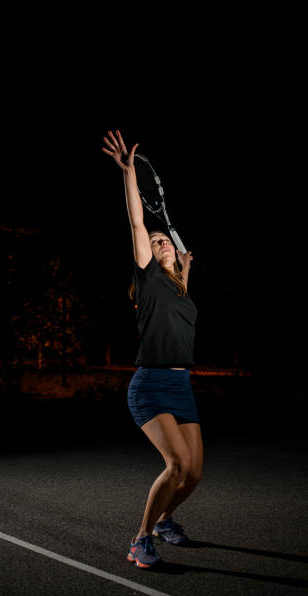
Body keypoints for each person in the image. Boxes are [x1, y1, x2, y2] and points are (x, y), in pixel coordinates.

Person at [102, 130, 203, 569]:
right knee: (176, 464)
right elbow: (138, 223)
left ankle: (165, 521)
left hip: (182, 386)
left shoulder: (181, 290)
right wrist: (129, 175)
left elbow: (182, 291)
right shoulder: (149, 278)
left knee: (193, 475)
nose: (161, 242)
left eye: (166, 240)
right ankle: (140, 539)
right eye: (157, 241)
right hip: (150, 385)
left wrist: (186, 268)